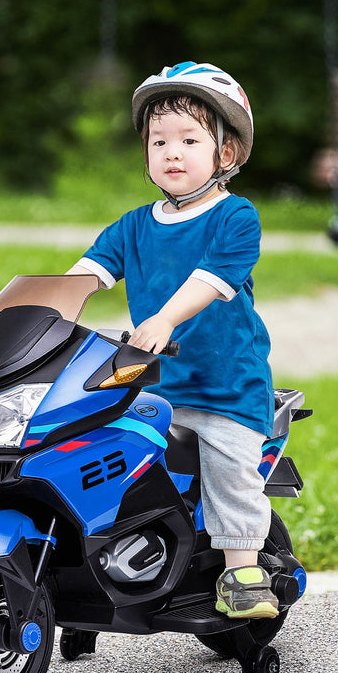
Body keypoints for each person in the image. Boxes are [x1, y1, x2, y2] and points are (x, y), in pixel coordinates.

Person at [68, 61, 278, 619]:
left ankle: (243, 573)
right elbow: (82, 276)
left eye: (189, 139)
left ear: (225, 154)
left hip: (223, 384)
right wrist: (32, 317)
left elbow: (210, 280)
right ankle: (111, 563)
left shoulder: (236, 217)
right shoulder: (134, 225)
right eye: (158, 141)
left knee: (229, 466)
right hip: (150, 385)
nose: (171, 152)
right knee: (104, 455)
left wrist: (162, 319)